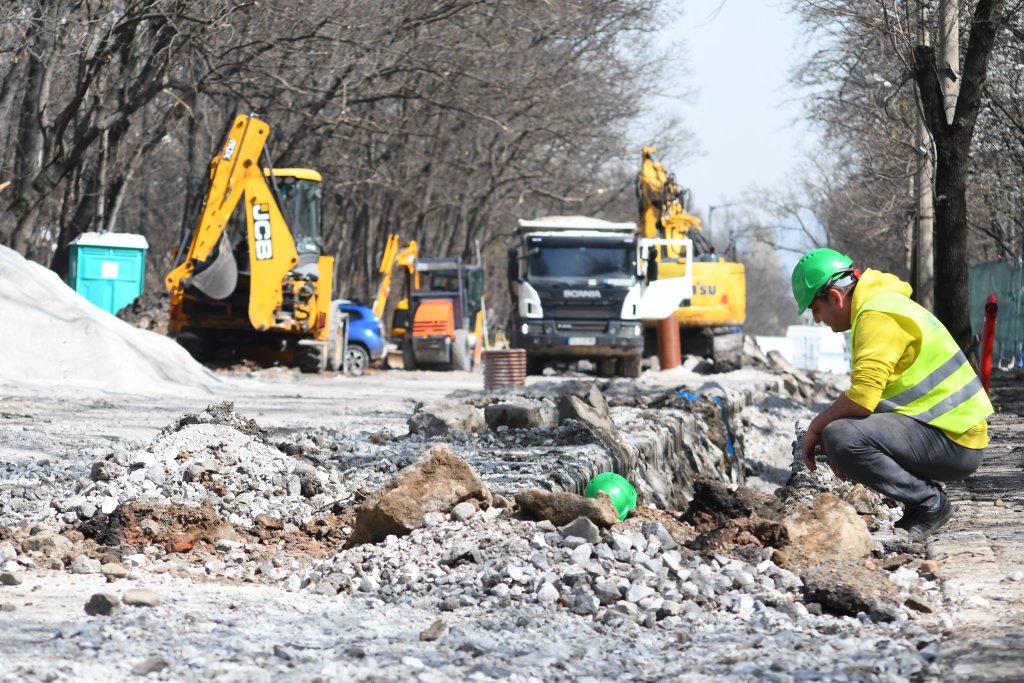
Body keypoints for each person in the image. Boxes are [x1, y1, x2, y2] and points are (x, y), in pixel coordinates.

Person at [791, 248, 993, 540]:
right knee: (843, 432)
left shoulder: (876, 316)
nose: (818, 320)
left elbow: (862, 398)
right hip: (953, 434)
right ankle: (919, 504)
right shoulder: (882, 305)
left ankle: (929, 504)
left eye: (815, 309)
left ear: (835, 297)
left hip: (955, 442)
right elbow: (873, 399)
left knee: (841, 435)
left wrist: (817, 427)